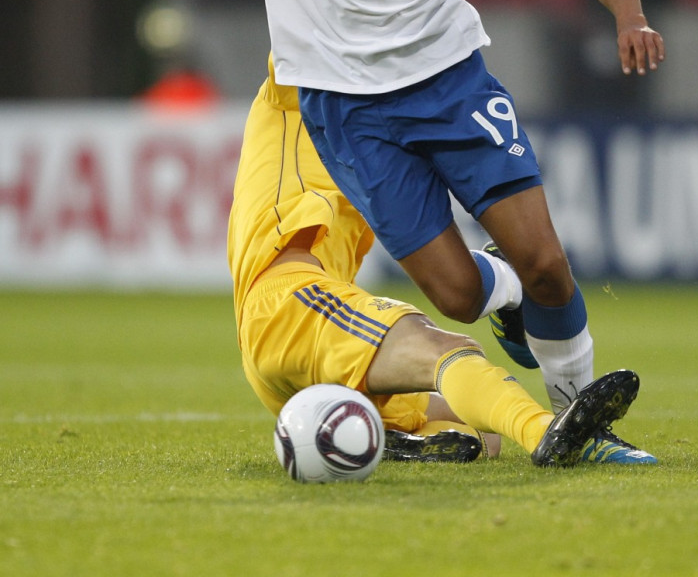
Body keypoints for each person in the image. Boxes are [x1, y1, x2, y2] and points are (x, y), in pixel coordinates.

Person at [36, 0, 664, 462]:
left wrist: (631, 15)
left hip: (447, 81)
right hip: (346, 112)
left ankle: (581, 427)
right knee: (458, 296)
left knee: (547, 261)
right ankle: (504, 298)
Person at [227, 50, 639, 467]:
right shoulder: (294, 90)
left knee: (481, 435)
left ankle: (385, 439)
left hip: (298, 356)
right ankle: (544, 431)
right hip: (287, 305)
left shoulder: (369, 143)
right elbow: (313, 14)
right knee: (449, 351)